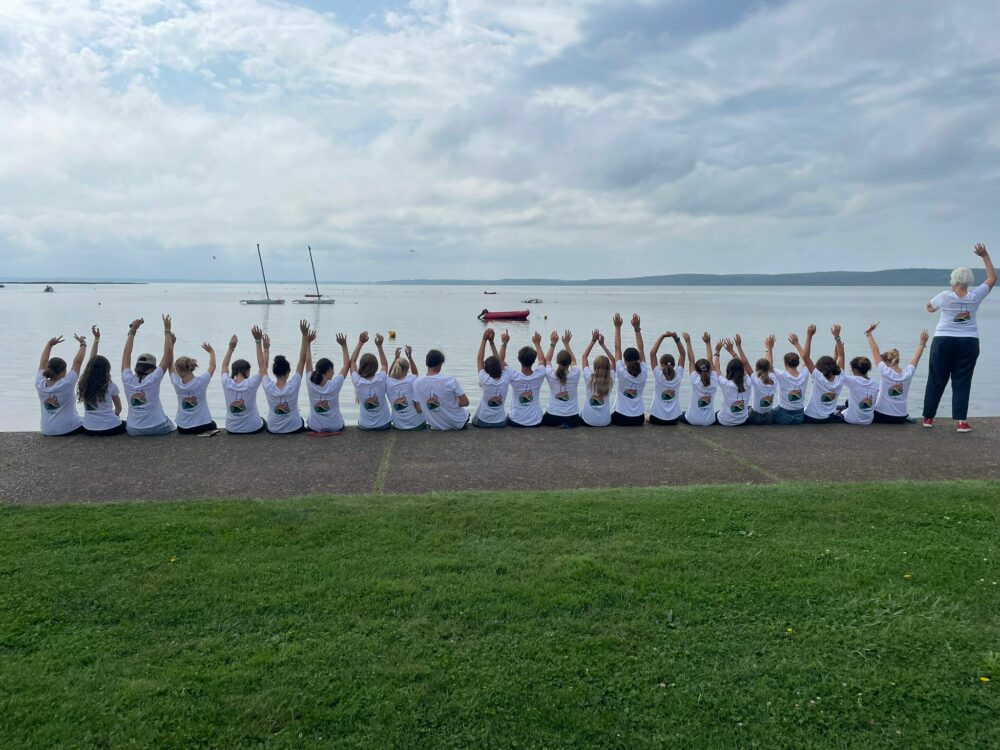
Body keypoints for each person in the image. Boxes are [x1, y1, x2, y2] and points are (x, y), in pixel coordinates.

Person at [922, 243, 996, 432]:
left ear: (953, 281)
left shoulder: (944, 296)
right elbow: (992, 278)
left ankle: (928, 418)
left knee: (936, 378)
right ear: (969, 281)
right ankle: (961, 422)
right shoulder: (975, 296)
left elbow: (929, 308)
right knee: (962, 380)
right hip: (969, 341)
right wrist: (985, 256)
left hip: (943, 340)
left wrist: (939, 306)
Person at [121, 316, 175, 436]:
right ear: (152, 368)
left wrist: (132, 331)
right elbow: (168, 354)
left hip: (133, 430)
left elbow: (126, 353)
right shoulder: (154, 378)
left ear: (136, 367)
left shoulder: (127, 378)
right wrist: (167, 330)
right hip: (158, 427)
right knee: (172, 424)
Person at [867, 323, 929, 424]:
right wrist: (922, 342)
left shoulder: (885, 371)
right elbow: (916, 357)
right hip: (900, 418)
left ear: (886, 361)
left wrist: (868, 333)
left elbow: (875, 350)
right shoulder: (908, 372)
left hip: (881, 416)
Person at [261, 321, 311, 434]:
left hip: (273, 428)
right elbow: (302, 361)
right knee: (302, 420)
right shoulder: (294, 384)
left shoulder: (268, 386)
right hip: (294, 428)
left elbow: (261, 365)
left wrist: (264, 347)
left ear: (274, 372)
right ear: (288, 372)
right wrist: (304, 336)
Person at [78, 325, 125, 436]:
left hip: (88, 429)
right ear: (106, 370)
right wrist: (115, 416)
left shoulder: (84, 383)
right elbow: (118, 408)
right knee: (126, 425)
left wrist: (96, 340)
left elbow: (91, 362)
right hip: (110, 428)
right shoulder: (110, 385)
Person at [36, 333, 86, 436]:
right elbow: (78, 363)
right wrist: (83, 344)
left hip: (47, 430)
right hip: (69, 429)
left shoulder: (39, 383)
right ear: (63, 372)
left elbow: (43, 362)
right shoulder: (67, 383)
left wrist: (49, 345)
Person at [304, 331, 354, 435]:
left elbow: (308, 362)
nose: (334, 373)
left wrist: (307, 343)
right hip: (335, 426)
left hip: (314, 427)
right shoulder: (334, 384)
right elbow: (346, 364)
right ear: (329, 370)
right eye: (333, 370)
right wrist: (344, 345)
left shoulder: (310, 382)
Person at [221, 326, 267, 434]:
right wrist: (260, 343)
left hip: (231, 429)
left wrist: (231, 348)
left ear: (234, 371)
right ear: (246, 371)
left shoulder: (226, 382)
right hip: (253, 428)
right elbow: (263, 367)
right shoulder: (252, 383)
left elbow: (224, 365)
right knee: (264, 421)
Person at [169, 335, 218, 435]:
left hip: (183, 428)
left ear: (178, 370)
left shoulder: (176, 382)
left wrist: (172, 345)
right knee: (214, 425)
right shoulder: (201, 381)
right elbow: (212, 366)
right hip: (203, 426)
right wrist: (211, 352)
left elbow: (169, 366)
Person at [797, 325, 846, 425]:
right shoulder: (840, 378)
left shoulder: (818, 377)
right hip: (828, 419)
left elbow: (805, 357)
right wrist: (837, 336)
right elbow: (841, 355)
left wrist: (809, 335)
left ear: (819, 368)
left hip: (811, 418)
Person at [414, 348, 470, 430]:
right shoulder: (450, 380)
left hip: (435, 425)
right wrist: (451, 402)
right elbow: (465, 402)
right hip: (458, 423)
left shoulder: (417, 383)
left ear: (426, 363)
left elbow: (419, 409)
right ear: (440, 364)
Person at [837, 324, 880, 426]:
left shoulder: (853, 381)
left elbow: (840, 368)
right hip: (868, 421)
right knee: (848, 403)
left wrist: (840, 350)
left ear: (854, 370)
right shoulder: (875, 383)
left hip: (851, 420)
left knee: (838, 410)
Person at [611, 313, 647, 426]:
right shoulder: (644, 372)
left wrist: (617, 327)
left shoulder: (622, 372)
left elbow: (617, 348)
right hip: (639, 419)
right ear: (638, 359)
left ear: (624, 361)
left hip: (621, 418)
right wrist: (637, 328)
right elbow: (641, 349)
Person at [351, 331, 392, 431]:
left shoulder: (358, 381)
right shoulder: (381, 379)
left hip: (365, 426)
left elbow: (352, 361)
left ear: (361, 366)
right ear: (376, 367)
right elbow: (385, 365)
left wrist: (360, 342)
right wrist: (379, 346)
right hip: (384, 424)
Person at [506, 331, 547, 428]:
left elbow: (500, 361)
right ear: (533, 360)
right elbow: (542, 360)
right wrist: (537, 344)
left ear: (519, 359)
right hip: (536, 421)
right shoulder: (539, 374)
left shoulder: (513, 376)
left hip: (516, 421)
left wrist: (504, 343)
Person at [472, 328, 510, 428]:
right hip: (500, 422)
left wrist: (484, 339)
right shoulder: (506, 378)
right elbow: (499, 361)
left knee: (473, 418)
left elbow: (479, 358)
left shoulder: (484, 379)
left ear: (486, 370)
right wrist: (492, 343)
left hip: (482, 422)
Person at [542, 330, 581, 428]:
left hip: (552, 418)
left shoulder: (551, 374)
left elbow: (547, 360)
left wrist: (553, 343)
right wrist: (566, 343)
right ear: (569, 363)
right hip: (572, 419)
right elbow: (574, 360)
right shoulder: (576, 373)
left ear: (557, 362)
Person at [772, 328, 811, 425]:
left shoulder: (782, 375)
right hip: (799, 416)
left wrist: (769, 348)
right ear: (798, 364)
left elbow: (768, 365)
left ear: (785, 364)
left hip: (783, 416)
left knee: (767, 413)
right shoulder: (804, 375)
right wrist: (797, 344)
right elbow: (806, 360)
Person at [679, 332, 718, 426]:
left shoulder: (694, 379)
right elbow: (710, 360)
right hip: (709, 421)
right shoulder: (715, 380)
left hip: (692, 420)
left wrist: (688, 342)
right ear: (709, 369)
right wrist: (708, 343)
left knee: (678, 414)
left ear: (696, 370)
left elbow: (691, 360)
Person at [648, 331, 685, 426]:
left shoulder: (658, 375)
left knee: (646, 416)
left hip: (656, 419)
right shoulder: (678, 375)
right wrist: (676, 338)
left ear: (661, 365)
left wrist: (662, 336)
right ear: (674, 365)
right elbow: (682, 354)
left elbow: (652, 354)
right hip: (674, 420)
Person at [386, 345, 426, 430]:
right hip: (417, 424)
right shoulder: (412, 380)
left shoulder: (388, 382)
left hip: (398, 425)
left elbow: (389, 375)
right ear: (407, 370)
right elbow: (415, 373)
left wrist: (395, 358)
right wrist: (410, 357)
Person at [580, 330, 615, 427]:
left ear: (594, 367)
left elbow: (584, 357)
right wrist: (602, 345)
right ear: (608, 368)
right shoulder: (611, 379)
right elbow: (613, 360)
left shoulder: (589, 377)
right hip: (605, 421)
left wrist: (593, 340)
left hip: (588, 421)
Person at [715, 337, 751, 427]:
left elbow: (716, 368)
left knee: (715, 414)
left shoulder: (726, 384)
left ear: (729, 370)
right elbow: (744, 366)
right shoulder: (749, 381)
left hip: (725, 421)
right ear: (742, 370)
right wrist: (732, 351)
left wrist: (717, 351)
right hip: (743, 420)